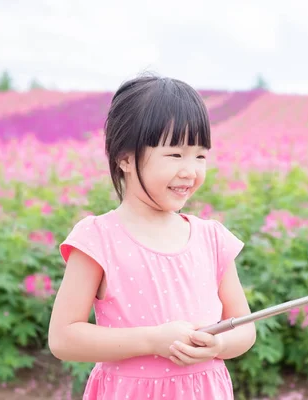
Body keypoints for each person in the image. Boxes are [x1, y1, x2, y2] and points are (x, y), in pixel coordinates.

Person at [48, 74, 256, 399]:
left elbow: (244, 327)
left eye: (200, 155)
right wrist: (152, 341)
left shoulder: (212, 239)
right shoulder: (97, 239)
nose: (191, 170)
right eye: (175, 155)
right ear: (126, 158)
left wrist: (219, 343)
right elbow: (63, 338)